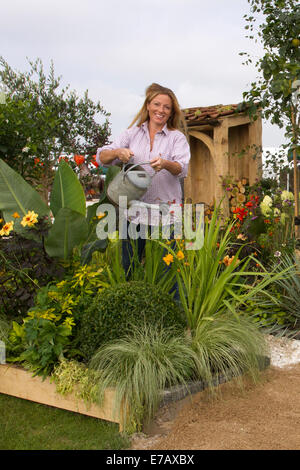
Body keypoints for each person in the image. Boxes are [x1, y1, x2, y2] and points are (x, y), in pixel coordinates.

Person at [96, 83, 191, 297]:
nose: (161, 110)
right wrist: (118, 152)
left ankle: (175, 317)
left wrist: (165, 163)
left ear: (171, 111)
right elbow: (101, 156)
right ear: (148, 106)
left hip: (166, 214)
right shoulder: (131, 134)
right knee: (130, 268)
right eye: (157, 104)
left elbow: (182, 169)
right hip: (134, 213)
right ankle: (133, 315)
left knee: (169, 271)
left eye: (167, 107)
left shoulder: (176, 138)